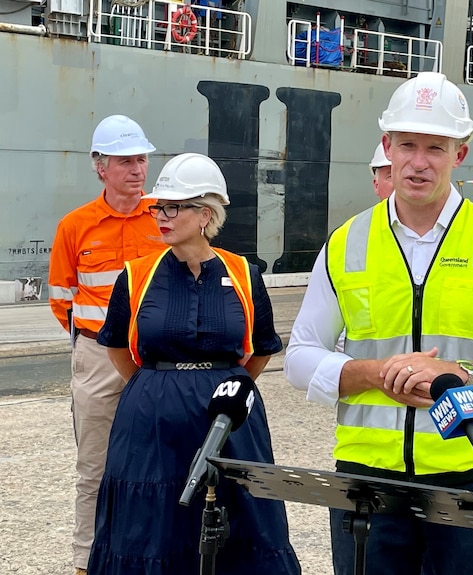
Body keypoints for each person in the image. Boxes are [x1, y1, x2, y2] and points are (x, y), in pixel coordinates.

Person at [284, 71, 473, 575]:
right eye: (407, 145)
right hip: (366, 482)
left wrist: (465, 374)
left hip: (472, 474)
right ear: (386, 147)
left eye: (435, 147)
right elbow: (301, 356)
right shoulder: (346, 241)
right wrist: (376, 374)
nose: (418, 162)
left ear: (459, 154)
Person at [89, 153, 301, 574]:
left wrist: (226, 384)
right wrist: (156, 387)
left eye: (173, 207)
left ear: (205, 213)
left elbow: (261, 348)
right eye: (159, 207)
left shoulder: (244, 273)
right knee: (150, 522)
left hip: (230, 421)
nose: (161, 216)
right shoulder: (135, 275)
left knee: (239, 515)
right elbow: (116, 345)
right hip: (150, 421)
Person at [47, 115, 165, 575]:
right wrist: (96, 342)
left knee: (160, 462)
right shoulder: (74, 226)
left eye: (141, 159)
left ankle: (153, 553)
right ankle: (86, 562)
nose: (137, 170)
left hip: (155, 359)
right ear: (101, 167)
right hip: (97, 356)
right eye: (125, 161)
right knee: (94, 465)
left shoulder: (164, 215)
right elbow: (61, 299)